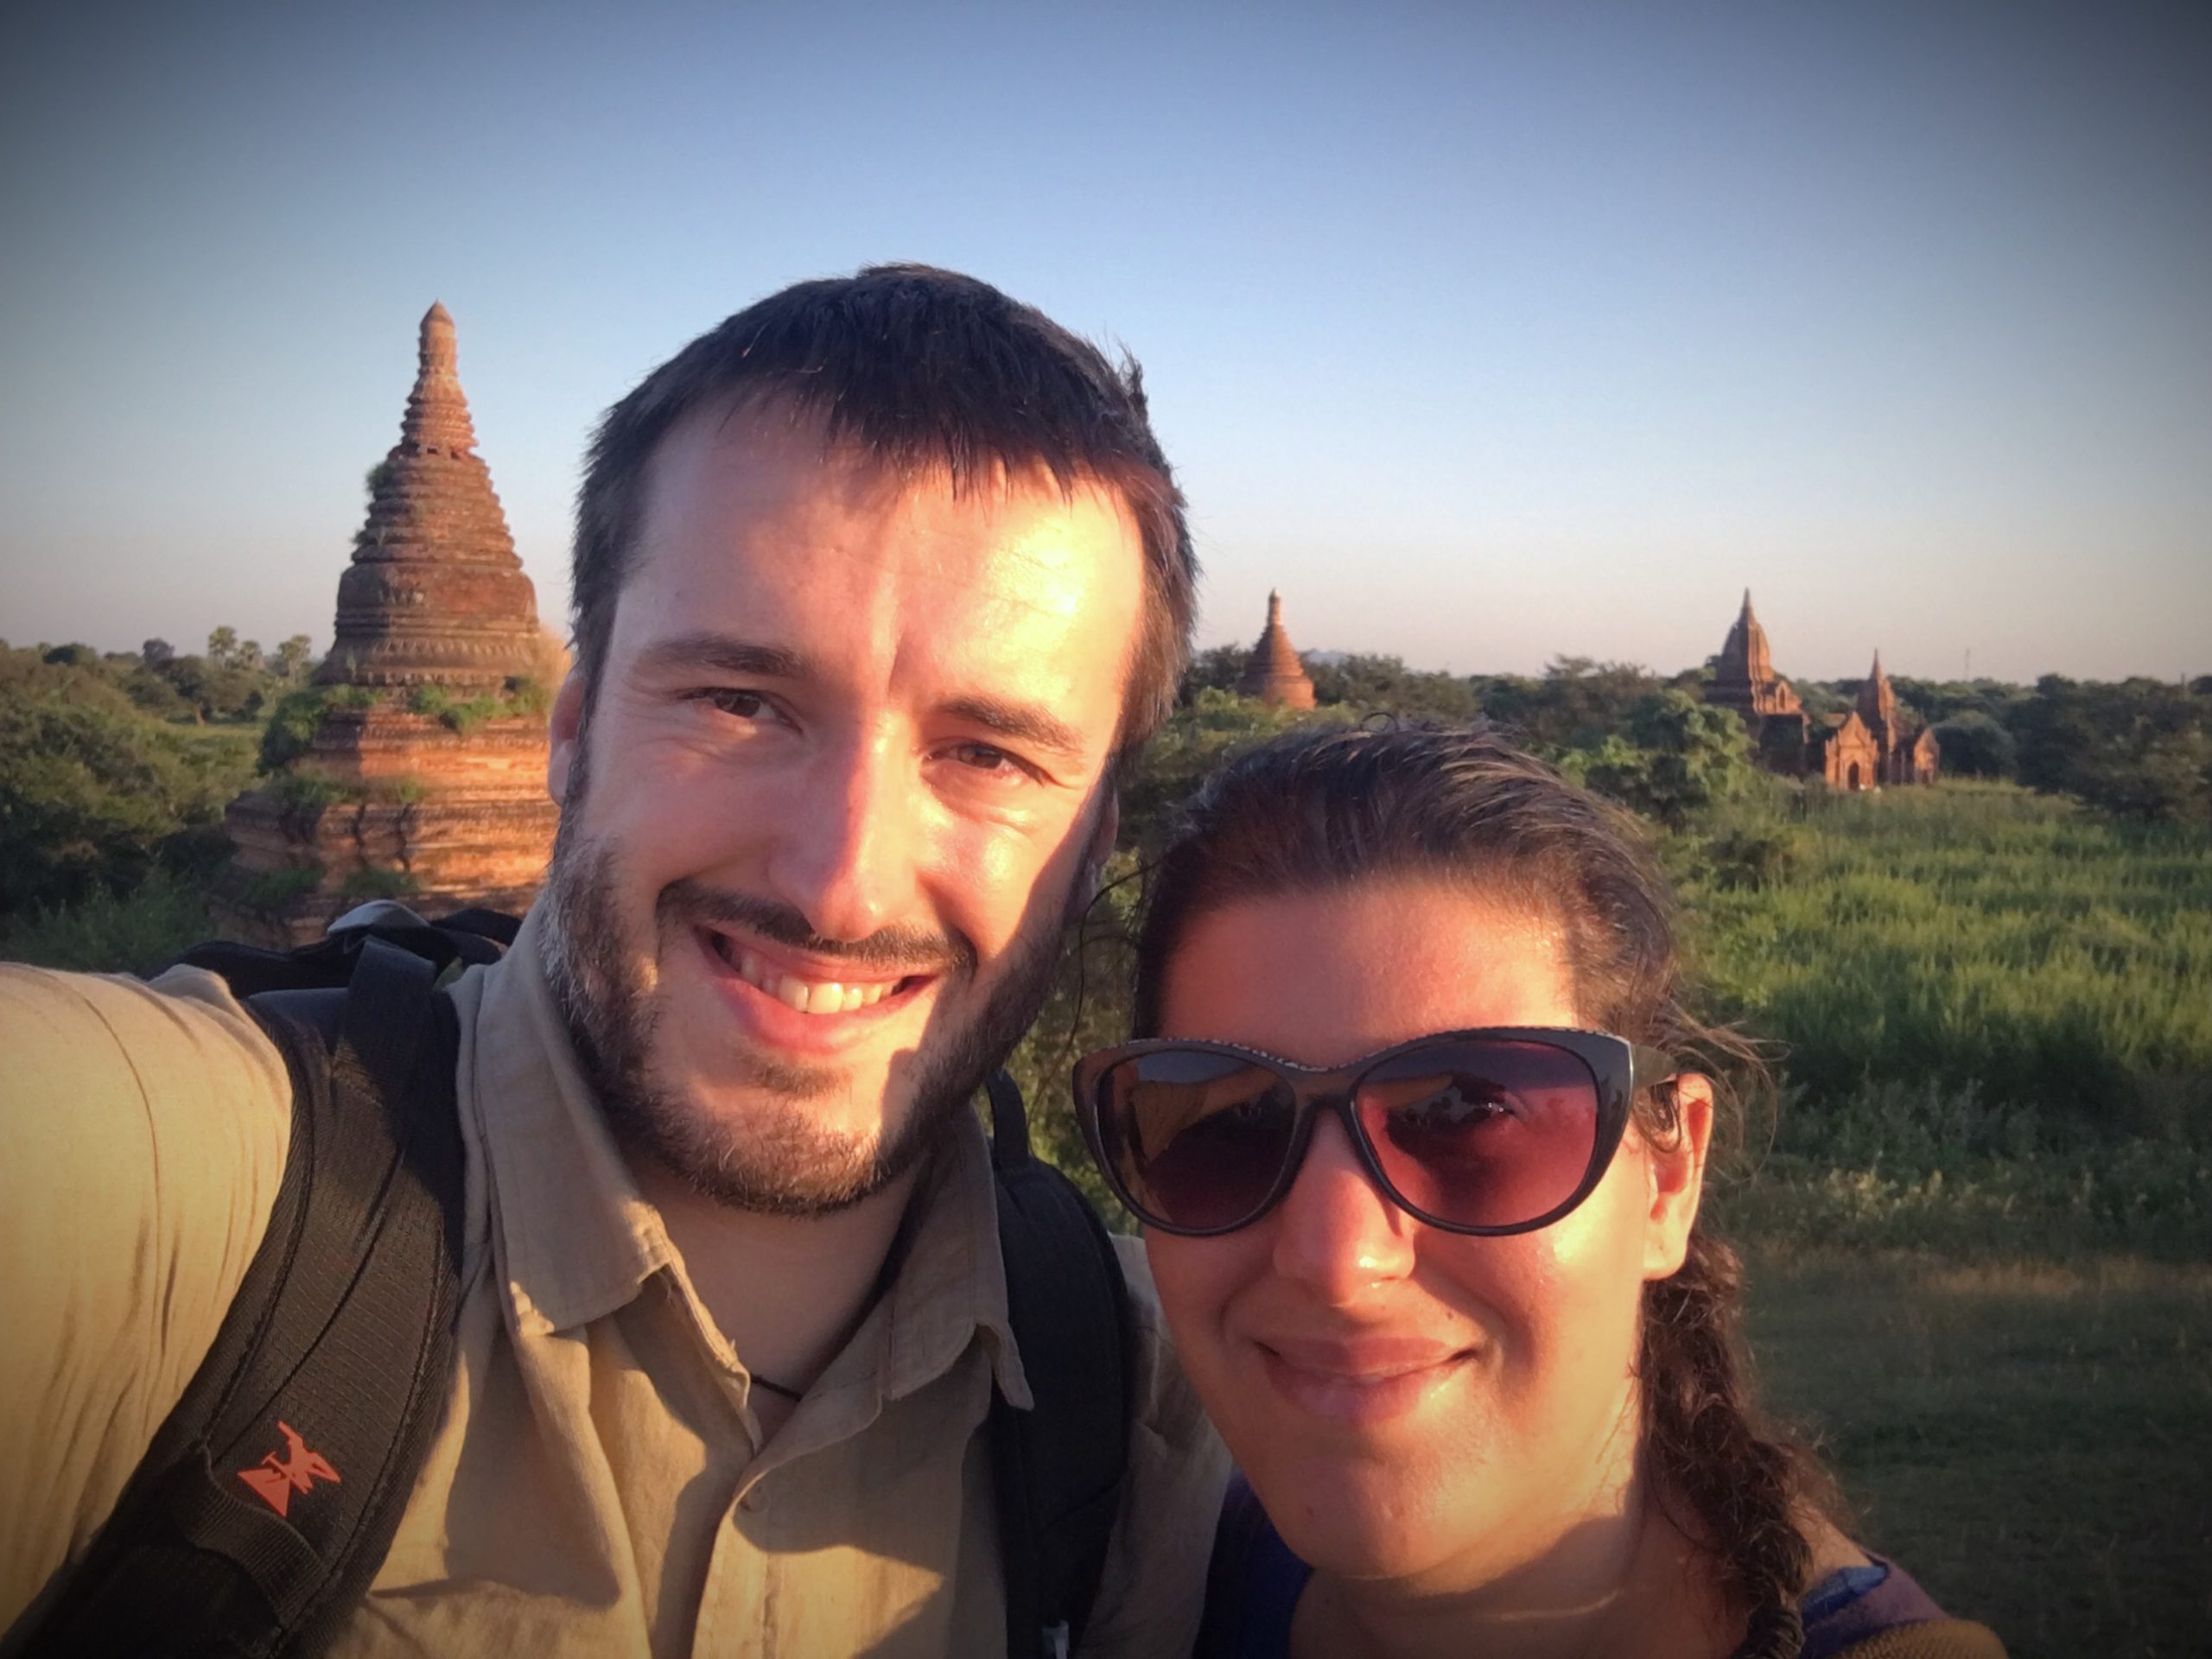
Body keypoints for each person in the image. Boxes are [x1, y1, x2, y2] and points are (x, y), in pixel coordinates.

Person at [0, 266, 1227, 1656]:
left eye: (988, 753)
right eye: (741, 701)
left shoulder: (1150, 1401)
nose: (841, 878)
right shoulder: (191, 1206)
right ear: (570, 734)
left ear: (1093, 837)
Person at [1073, 726, 2006, 1659]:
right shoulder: (1164, 1578)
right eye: (1231, 1130)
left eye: (1462, 1113)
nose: (1337, 1260)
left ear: (1667, 1180)